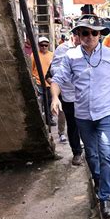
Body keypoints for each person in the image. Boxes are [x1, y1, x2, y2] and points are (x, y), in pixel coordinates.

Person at [50, 16, 110, 219]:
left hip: (106, 113)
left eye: (94, 32)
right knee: (91, 154)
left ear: (100, 35)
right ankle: (98, 179)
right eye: (85, 32)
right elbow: (57, 79)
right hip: (83, 116)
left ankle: (106, 197)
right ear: (78, 35)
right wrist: (55, 97)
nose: (89, 36)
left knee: (106, 153)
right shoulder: (71, 57)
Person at [46, 32, 83, 165]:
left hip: (86, 95)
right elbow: (53, 71)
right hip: (68, 96)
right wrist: (67, 70)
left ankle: (91, 151)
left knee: (87, 124)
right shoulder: (62, 49)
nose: (82, 38)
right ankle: (77, 152)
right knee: (73, 125)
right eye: (79, 35)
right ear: (73, 35)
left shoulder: (89, 48)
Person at [31, 37, 55, 126]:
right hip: (39, 83)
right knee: (40, 102)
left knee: (49, 102)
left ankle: (49, 119)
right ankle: (41, 120)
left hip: (49, 83)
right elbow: (31, 68)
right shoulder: (34, 55)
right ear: (39, 46)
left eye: (46, 45)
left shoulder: (52, 55)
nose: (44, 47)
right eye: (42, 45)